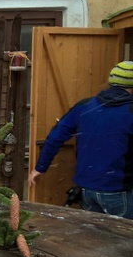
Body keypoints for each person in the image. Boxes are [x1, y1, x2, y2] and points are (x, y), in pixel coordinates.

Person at [28, 60, 133, 219]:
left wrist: (40, 167)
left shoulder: (84, 106)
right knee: (123, 234)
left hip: (86, 191)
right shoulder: (130, 111)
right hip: (119, 192)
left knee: (91, 233)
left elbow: (56, 136)